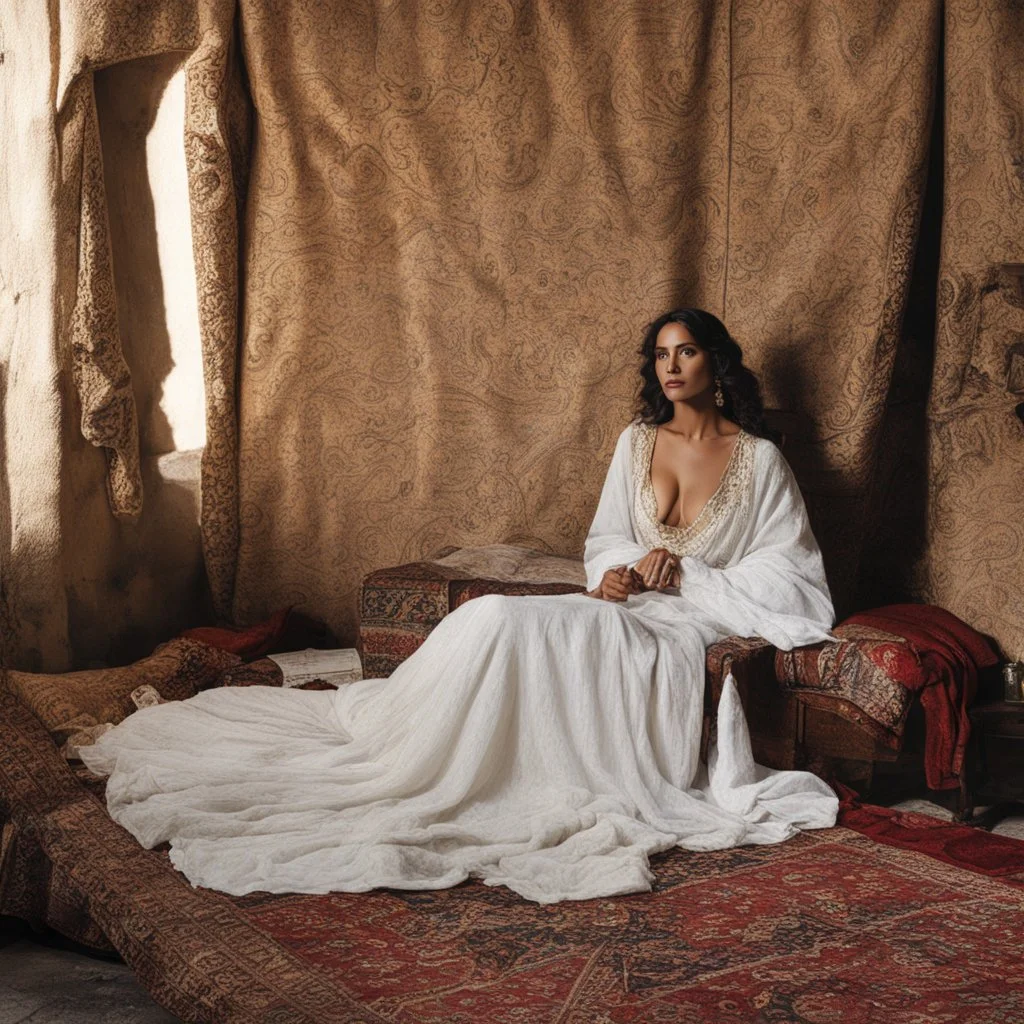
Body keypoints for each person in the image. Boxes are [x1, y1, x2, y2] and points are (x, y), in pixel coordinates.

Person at [82, 308, 838, 905]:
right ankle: (410, 750)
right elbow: (606, 539)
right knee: (494, 617)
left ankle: (492, 773)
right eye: (661, 355)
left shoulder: (759, 462)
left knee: (556, 636)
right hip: (624, 606)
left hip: (682, 623)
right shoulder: (636, 442)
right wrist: (613, 576)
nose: (671, 368)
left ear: (717, 363)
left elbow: (794, 579)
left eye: (687, 353)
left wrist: (690, 576)